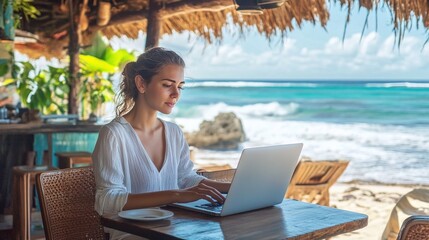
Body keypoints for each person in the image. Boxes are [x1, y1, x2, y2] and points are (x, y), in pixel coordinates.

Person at [92, 47, 230, 240]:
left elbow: (186, 178)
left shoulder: (173, 133)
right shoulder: (114, 135)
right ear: (141, 83)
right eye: (167, 85)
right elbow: (107, 202)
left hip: (173, 230)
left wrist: (233, 187)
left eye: (180, 86)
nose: (176, 94)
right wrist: (176, 195)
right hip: (132, 234)